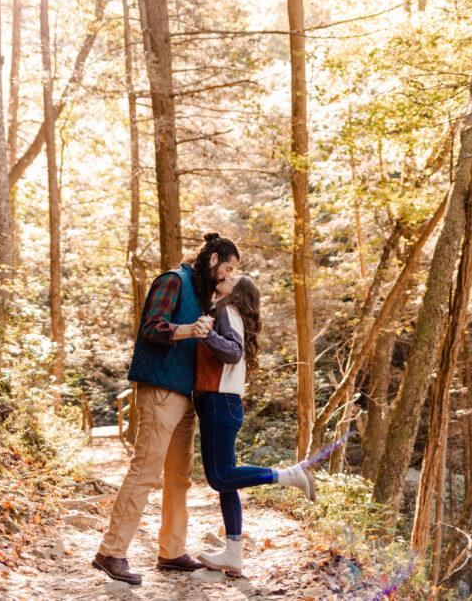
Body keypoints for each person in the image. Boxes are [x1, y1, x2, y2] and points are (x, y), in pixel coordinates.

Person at [93, 233, 240, 585]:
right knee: (145, 471)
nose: (228, 275)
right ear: (213, 258)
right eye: (228, 267)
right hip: (160, 390)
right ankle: (110, 552)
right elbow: (151, 328)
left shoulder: (203, 294)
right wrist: (188, 329)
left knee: (180, 478)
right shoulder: (172, 280)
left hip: (186, 395)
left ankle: (172, 551)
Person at [193, 274, 316, 577]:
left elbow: (232, 352)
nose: (226, 276)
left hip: (219, 403)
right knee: (228, 481)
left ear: (238, 293)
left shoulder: (225, 312)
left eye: (233, 277)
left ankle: (290, 474)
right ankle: (233, 554)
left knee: (220, 478)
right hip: (224, 404)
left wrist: (206, 334)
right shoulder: (227, 314)